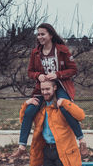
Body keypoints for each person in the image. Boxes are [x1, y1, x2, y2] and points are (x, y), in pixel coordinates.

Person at [12, 23, 87, 158]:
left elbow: (73, 69)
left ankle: (81, 140)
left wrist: (57, 74)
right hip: (42, 87)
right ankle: (22, 146)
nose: (39, 37)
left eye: (43, 34)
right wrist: (38, 76)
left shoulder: (62, 50)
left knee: (64, 107)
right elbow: (30, 72)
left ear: (50, 35)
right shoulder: (35, 52)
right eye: (38, 34)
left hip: (60, 85)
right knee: (29, 110)